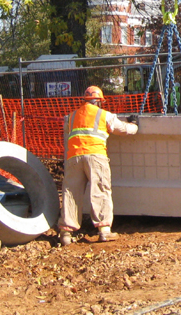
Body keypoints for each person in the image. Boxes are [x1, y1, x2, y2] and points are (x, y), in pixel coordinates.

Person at [58, 86, 138, 245]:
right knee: (100, 190)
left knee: (70, 193)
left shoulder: (71, 116)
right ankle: (104, 231)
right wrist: (134, 124)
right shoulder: (103, 115)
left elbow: (67, 129)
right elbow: (123, 129)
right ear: (99, 101)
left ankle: (66, 233)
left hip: (74, 158)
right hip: (96, 156)